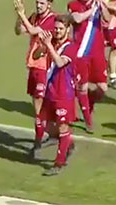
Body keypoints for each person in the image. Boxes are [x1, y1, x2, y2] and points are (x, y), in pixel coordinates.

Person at [13, 0, 56, 155]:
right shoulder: (34, 16)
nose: (38, 6)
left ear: (49, 4)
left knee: (39, 108)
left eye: (42, 3)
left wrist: (21, 14)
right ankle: (54, 136)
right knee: (39, 107)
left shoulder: (51, 20)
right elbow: (20, 31)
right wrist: (20, 17)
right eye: (37, 3)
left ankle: (38, 143)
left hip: (44, 67)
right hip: (33, 66)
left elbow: (32, 31)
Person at [67, 0, 111, 133]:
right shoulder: (73, 4)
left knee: (103, 88)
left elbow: (107, 19)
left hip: (97, 53)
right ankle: (88, 120)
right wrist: (92, 9)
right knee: (82, 86)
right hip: (80, 53)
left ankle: (88, 102)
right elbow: (77, 18)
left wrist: (102, 4)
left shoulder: (98, 4)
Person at [38, 15, 78, 176]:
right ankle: (68, 143)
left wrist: (49, 46)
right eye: (56, 28)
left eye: (61, 28)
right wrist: (43, 45)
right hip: (50, 90)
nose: (57, 31)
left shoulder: (71, 47)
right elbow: (37, 56)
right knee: (46, 125)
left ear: (67, 30)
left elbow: (60, 63)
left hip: (64, 93)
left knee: (62, 127)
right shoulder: (52, 42)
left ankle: (59, 163)